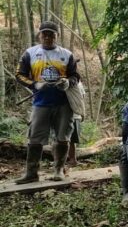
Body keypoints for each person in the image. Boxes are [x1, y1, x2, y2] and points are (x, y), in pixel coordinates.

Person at [15, 21, 79, 183]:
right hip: (40, 102)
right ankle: (31, 173)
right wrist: (34, 84)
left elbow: (75, 76)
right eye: (45, 34)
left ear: (57, 36)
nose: (48, 37)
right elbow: (19, 74)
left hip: (64, 103)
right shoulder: (30, 53)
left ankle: (58, 170)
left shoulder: (66, 54)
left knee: (62, 137)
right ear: (40, 35)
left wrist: (67, 82)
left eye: (52, 34)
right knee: (35, 138)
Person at [67, 81, 86, 167]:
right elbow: (82, 97)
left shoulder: (78, 83)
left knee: (71, 139)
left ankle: (72, 159)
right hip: (72, 114)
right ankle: (70, 159)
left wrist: (82, 112)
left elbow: (81, 98)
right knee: (70, 140)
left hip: (74, 114)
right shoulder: (78, 83)